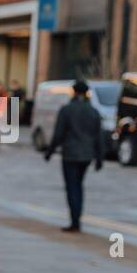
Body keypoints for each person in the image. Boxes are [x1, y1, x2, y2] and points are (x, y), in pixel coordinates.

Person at [44, 79, 105, 232]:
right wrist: (99, 158)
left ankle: (75, 221)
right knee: (79, 186)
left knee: (72, 187)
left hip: (70, 154)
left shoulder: (67, 109)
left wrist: (50, 152)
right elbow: (99, 137)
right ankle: (77, 218)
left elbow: (58, 134)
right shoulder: (94, 112)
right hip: (86, 155)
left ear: (74, 92)